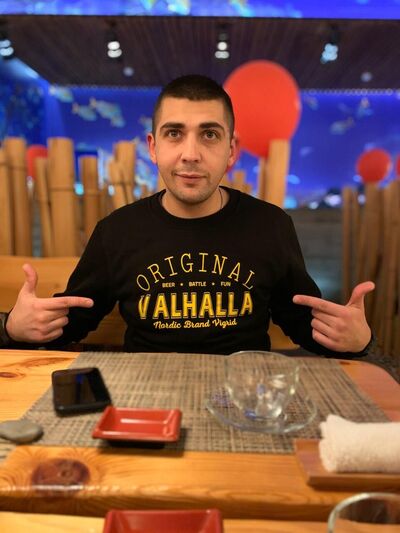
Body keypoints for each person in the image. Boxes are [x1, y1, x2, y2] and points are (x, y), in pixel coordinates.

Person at [1, 75, 374, 356]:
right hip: (146, 403)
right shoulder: (117, 232)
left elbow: (305, 324)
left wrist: (357, 340)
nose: (191, 154)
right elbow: (70, 324)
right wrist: (14, 327)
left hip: (244, 399)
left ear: (231, 150)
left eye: (209, 135)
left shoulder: (271, 226)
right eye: (174, 134)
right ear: (153, 147)